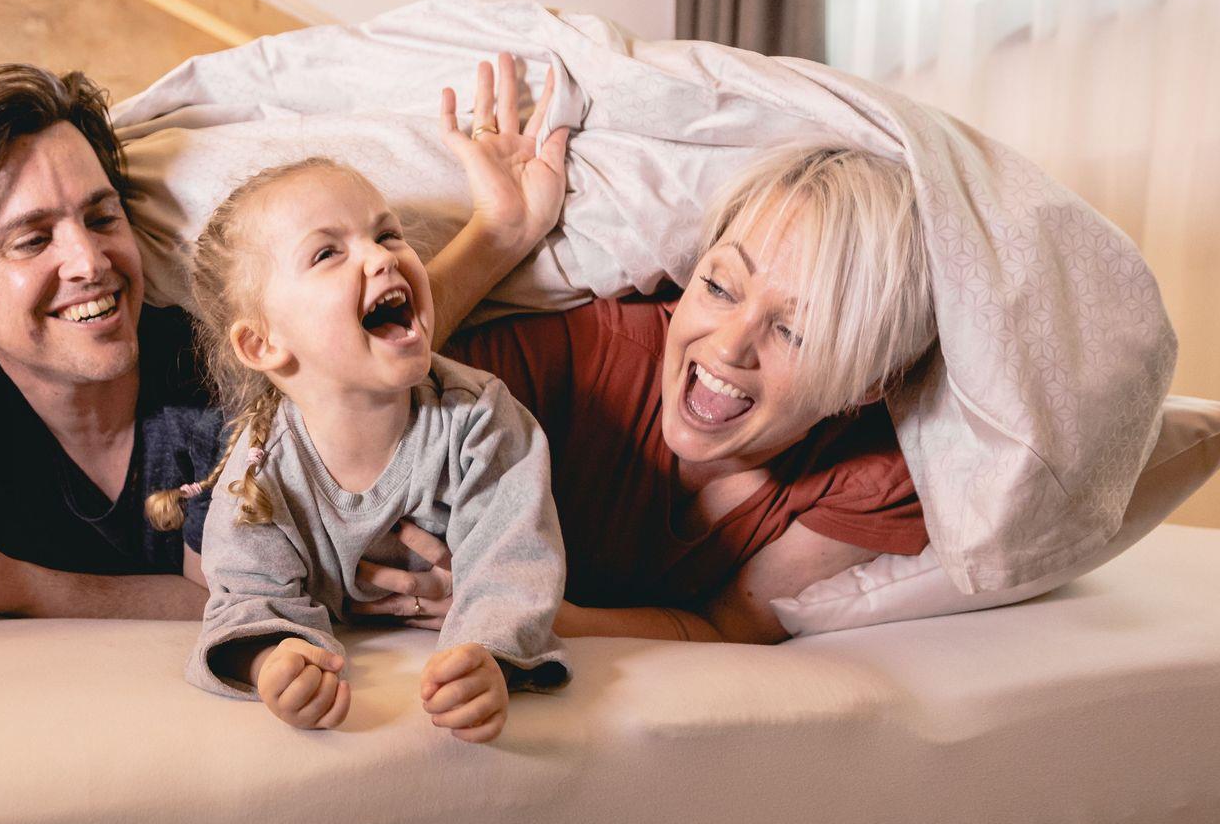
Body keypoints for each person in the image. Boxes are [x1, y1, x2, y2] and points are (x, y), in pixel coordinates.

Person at [0, 55, 559, 631]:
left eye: (102, 218)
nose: (90, 261)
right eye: (32, 239)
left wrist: (27, 588)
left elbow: (344, 340)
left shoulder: (213, 374)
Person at [369, 143, 937, 645]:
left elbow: (726, 626)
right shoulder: (595, 352)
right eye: (720, 287)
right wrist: (498, 233)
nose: (728, 346)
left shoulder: (872, 478)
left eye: (795, 332)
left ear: (867, 385)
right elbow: (360, 375)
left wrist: (527, 605)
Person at [158, 152, 569, 745]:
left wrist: (488, 658)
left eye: (387, 234)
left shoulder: (480, 420)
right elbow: (247, 599)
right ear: (262, 344)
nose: (382, 257)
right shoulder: (258, 472)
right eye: (327, 253)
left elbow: (512, 564)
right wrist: (274, 662)